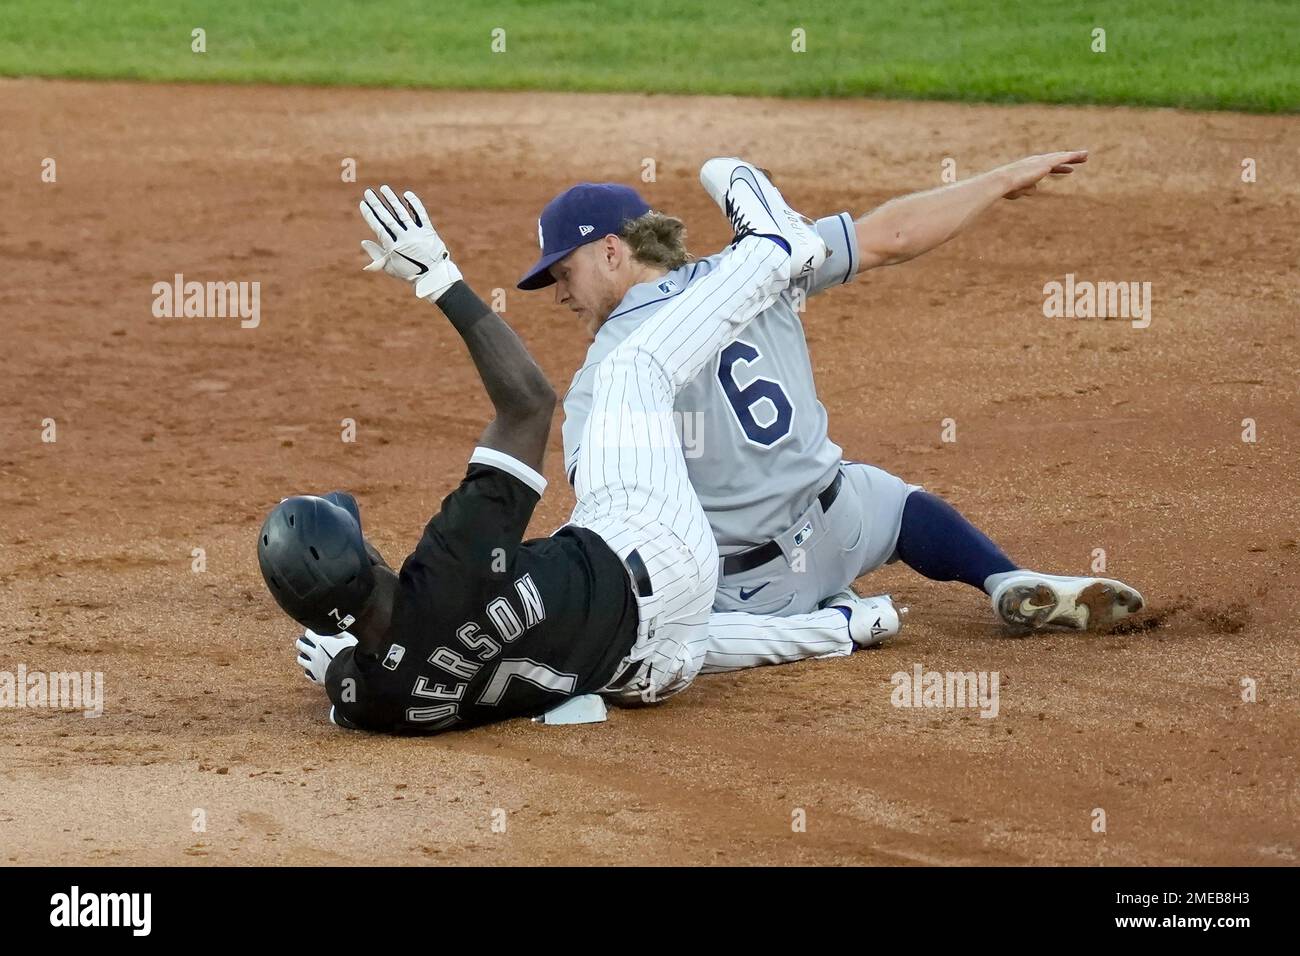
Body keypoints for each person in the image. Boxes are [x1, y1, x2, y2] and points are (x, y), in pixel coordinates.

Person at [257, 163, 883, 734]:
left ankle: (841, 628)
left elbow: (356, 682)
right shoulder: (452, 558)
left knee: (606, 626)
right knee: (628, 372)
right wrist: (438, 277)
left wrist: (343, 658)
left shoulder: (378, 699)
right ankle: (773, 250)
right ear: (365, 554)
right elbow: (528, 402)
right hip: (669, 552)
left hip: (649, 673)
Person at [519, 154, 1143, 654]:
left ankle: (837, 615)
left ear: (610, 251)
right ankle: (1001, 578)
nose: (560, 295)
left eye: (563, 273)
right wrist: (1001, 179)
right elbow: (892, 237)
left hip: (747, 590)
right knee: (893, 499)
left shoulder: (607, 369)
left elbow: (617, 511)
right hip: (842, 526)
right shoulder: (759, 265)